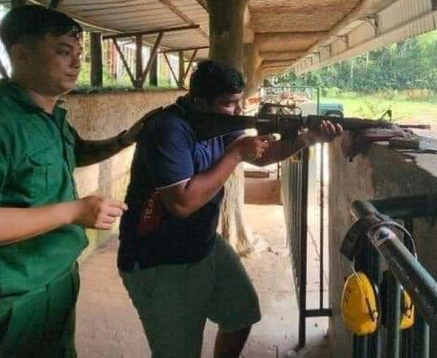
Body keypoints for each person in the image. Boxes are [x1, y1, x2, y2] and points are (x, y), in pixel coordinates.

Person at [0, 5, 152, 357]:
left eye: (78, 53)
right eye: (63, 51)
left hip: (57, 281)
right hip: (11, 303)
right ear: (21, 54)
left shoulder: (49, 116)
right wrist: (73, 212)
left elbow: (73, 154)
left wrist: (126, 139)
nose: (76, 63)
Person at [118, 59, 343, 358]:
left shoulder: (216, 121)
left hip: (204, 244)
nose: (237, 112)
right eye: (229, 104)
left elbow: (261, 156)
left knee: (241, 314)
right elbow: (182, 203)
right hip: (160, 260)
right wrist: (236, 154)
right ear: (200, 102)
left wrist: (307, 138)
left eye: (238, 103)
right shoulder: (168, 130)